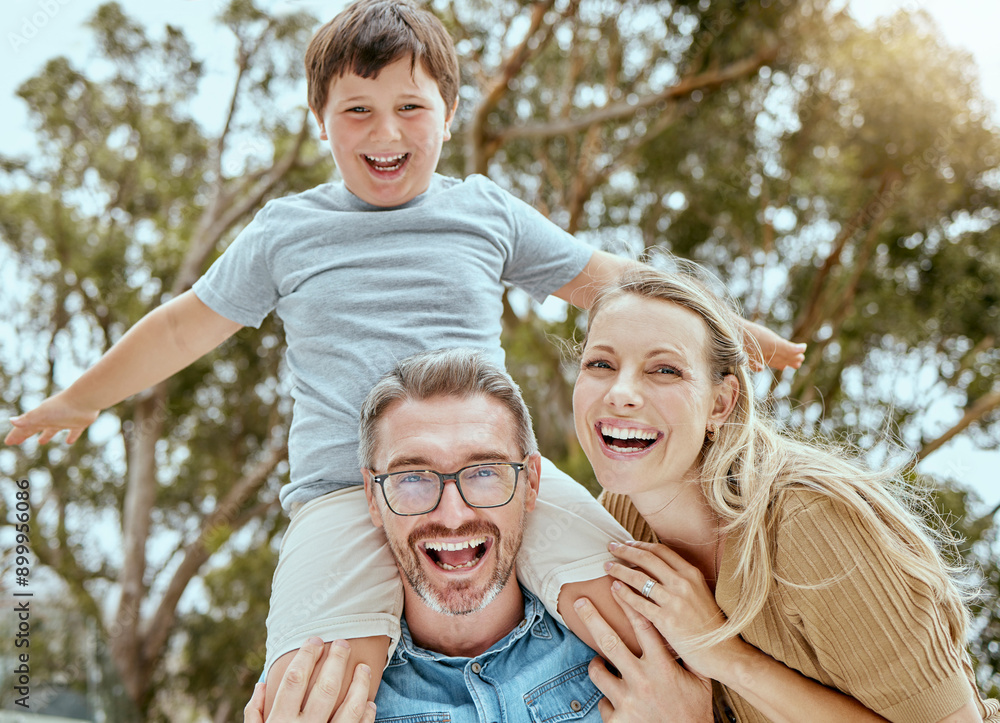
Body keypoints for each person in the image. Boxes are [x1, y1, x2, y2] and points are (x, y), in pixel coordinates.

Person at [3, 0, 805, 712]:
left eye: (410, 107)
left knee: (638, 622)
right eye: (357, 109)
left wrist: (729, 327)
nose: (385, 133)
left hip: (498, 478)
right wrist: (83, 396)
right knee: (321, 687)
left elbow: (611, 281)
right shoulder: (287, 231)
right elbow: (184, 326)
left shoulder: (482, 210)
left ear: (449, 114)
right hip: (342, 490)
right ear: (320, 118)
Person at [568, 265, 1000, 722]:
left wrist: (722, 654)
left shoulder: (810, 520)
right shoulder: (619, 520)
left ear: (721, 402)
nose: (621, 393)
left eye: (665, 370)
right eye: (601, 364)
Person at [246, 348, 713, 722]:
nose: (453, 514)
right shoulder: (319, 702)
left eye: (484, 472)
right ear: (373, 496)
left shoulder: (639, 666)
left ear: (531, 483)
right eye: (413, 478)